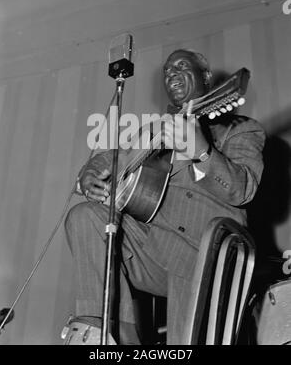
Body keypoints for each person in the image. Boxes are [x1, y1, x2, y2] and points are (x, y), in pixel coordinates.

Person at [62, 49, 265, 345]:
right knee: (85, 216)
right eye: (167, 70)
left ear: (206, 78)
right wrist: (88, 174)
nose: (171, 73)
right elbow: (107, 159)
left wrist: (202, 152)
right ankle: (104, 336)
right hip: (152, 250)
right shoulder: (152, 132)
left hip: (203, 253)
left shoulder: (240, 129)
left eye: (181, 66)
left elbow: (242, 189)